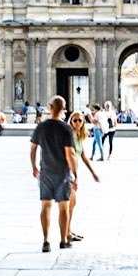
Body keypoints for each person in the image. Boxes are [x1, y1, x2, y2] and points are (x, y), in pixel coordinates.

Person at [31, 97, 77, 251]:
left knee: (45, 205)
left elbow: (33, 149)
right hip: (62, 173)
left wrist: (34, 167)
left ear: (50, 107)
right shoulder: (66, 128)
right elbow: (70, 153)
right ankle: (63, 240)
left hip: (45, 171)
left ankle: (46, 240)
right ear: (64, 109)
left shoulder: (41, 127)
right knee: (63, 207)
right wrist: (75, 173)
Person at [66, 108, 101, 240]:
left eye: (80, 120)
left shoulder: (78, 136)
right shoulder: (69, 135)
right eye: (74, 120)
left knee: (71, 204)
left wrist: (93, 173)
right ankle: (66, 233)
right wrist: (74, 176)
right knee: (69, 204)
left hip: (73, 173)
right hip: (67, 173)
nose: (77, 122)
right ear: (71, 121)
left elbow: (83, 156)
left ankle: (68, 231)